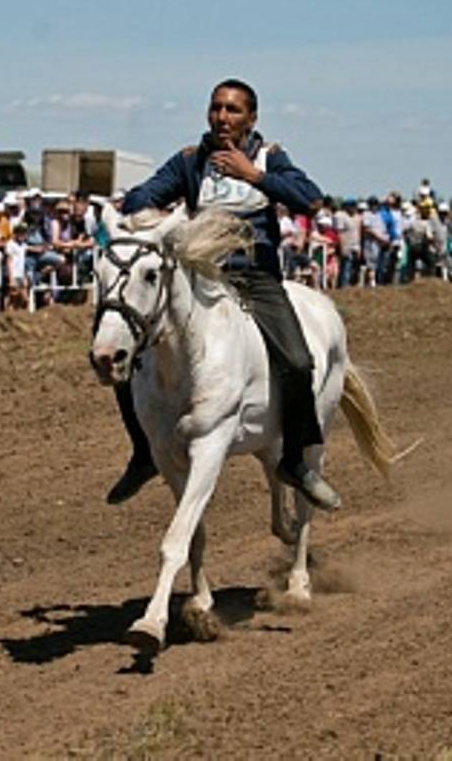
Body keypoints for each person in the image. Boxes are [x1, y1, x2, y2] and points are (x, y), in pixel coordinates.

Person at [107, 78, 341, 511]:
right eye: (216, 108)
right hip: (202, 279)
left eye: (233, 110)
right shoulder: (191, 161)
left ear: (251, 118)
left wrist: (254, 176)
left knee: (298, 360)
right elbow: (142, 195)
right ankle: (144, 453)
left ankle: (295, 461)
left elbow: (311, 201)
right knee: (124, 349)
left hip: (256, 279)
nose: (222, 117)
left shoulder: (270, 157)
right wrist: (149, 207)